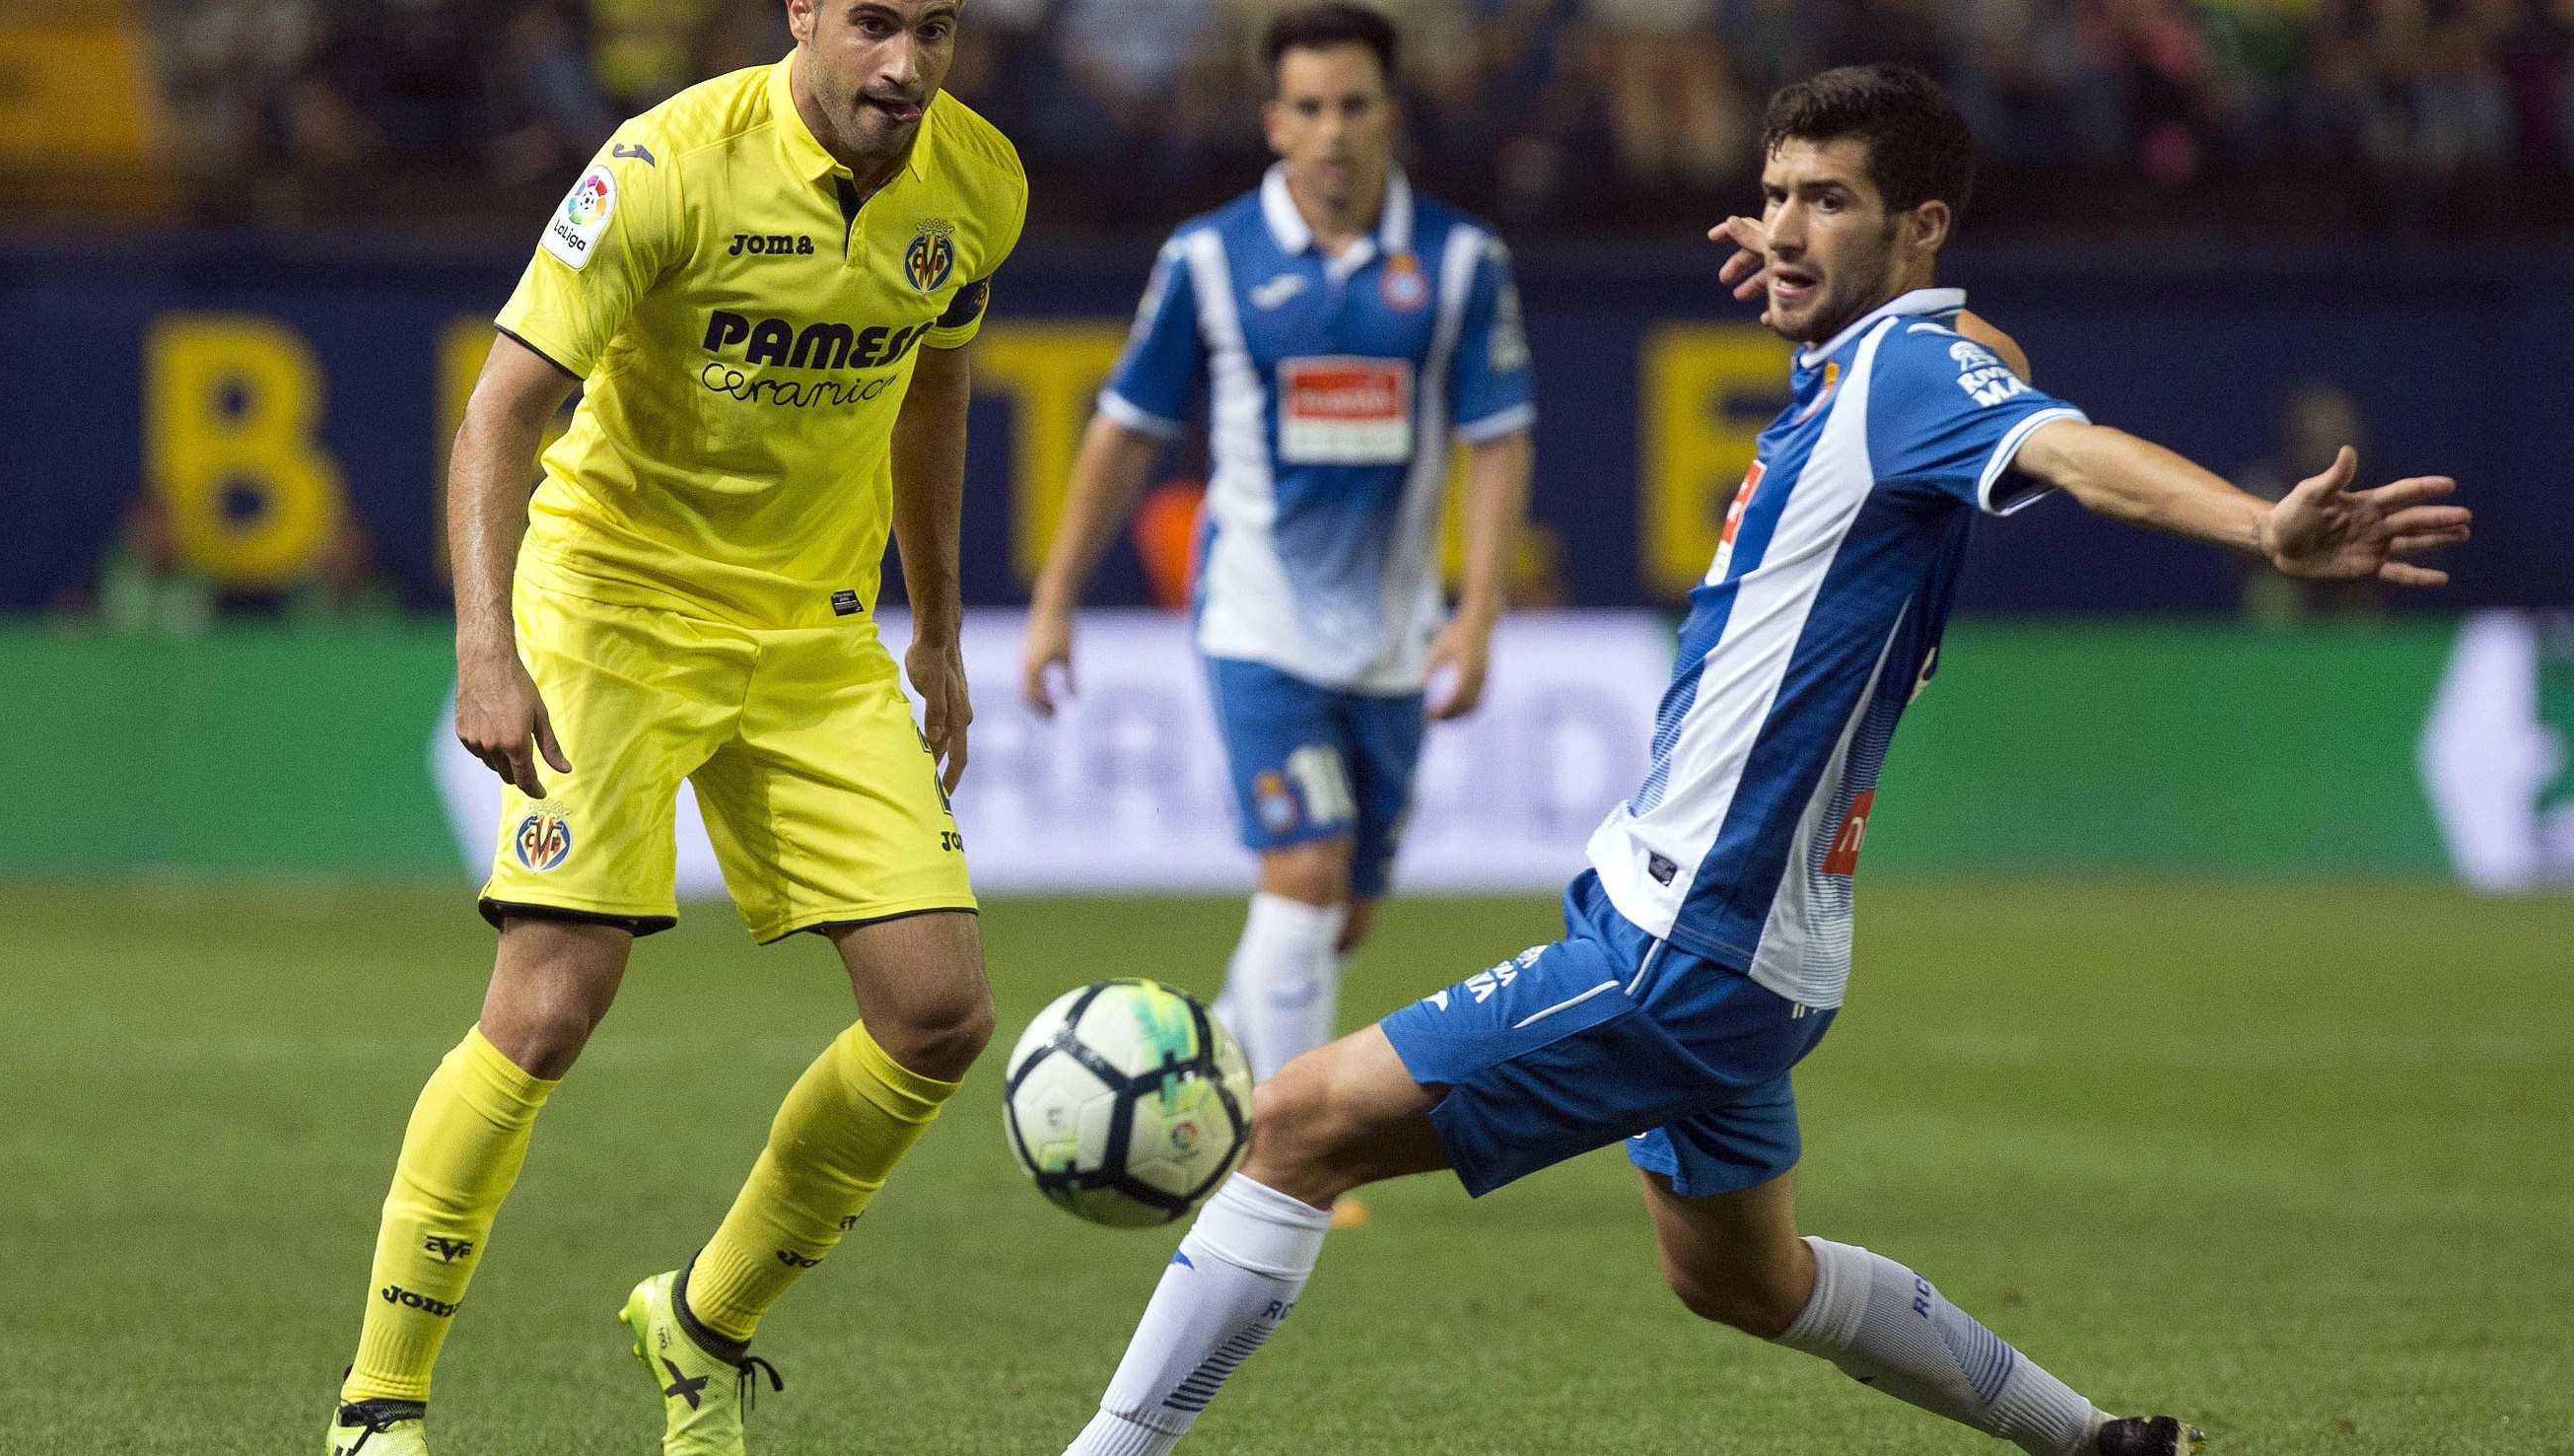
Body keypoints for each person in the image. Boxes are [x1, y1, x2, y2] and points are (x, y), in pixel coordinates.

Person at [1055, 62, 2470, 1456]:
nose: (1782, 227)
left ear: (1922, 229)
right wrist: (1823, 271)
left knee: (1295, 1118)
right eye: (1773, 195)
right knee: (1742, 1279)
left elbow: (2070, 447)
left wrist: (2256, 529)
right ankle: (2096, 1441)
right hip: (1732, 941)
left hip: (1689, 940)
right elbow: (2003, 364)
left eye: (1829, 202)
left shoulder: (1909, 375)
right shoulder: (1886, 363)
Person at [321, 1, 1026, 1451]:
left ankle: (699, 1327)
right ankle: (378, 1404)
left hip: (811, 629)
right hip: (614, 605)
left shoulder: (981, 183)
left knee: (940, 1015)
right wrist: (486, 642)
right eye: (876, 25)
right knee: (549, 1006)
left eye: (938, 31)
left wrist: (940, 625)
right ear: (805, 18)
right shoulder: (665, 165)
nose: (906, 64)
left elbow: (932, 395)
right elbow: (501, 412)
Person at [1021, 6, 1539, 1207]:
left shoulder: (1459, 264)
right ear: (1273, 122)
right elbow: (1123, 433)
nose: (1332, 132)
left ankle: (1183, 1081)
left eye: (1354, 106)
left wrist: (1479, 611)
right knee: (1303, 871)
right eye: (1307, 108)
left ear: (1388, 115)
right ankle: (1286, 1143)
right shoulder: (1209, 259)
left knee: (1338, 911)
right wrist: (1055, 599)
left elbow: (1498, 439)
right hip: (1254, 622)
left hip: (1396, 640)